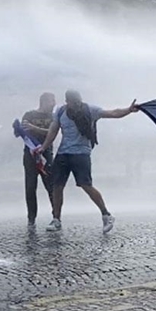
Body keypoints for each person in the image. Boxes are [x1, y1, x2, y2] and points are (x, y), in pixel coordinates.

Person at [35, 89, 140, 233]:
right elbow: (53, 130)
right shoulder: (61, 112)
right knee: (57, 186)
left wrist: (129, 110)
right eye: (72, 102)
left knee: (86, 185)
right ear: (67, 102)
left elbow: (112, 113)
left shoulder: (90, 110)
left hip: (81, 154)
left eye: (77, 101)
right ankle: (56, 219)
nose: (75, 104)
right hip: (63, 153)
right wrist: (44, 147)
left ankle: (106, 214)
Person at [21, 92, 57, 228]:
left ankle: (56, 216)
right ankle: (31, 219)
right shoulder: (29, 115)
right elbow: (24, 132)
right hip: (30, 155)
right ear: (44, 101)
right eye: (52, 101)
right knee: (30, 187)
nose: (54, 103)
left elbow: (52, 133)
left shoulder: (54, 117)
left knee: (51, 186)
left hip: (46, 155)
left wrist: (34, 128)